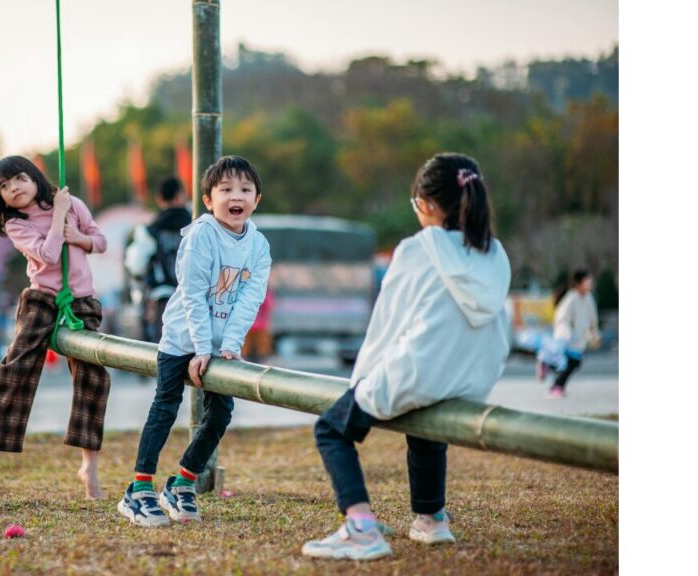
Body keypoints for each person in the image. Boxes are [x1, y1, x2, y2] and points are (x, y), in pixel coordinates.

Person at [301, 153, 511, 562]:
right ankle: (431, 519)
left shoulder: (417, 248)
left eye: (416, 205)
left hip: (424, 369)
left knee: (331, 428)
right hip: (474, 377)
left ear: (429, 205)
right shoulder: (493, 252)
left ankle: (361, 528)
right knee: (425, 420)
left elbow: (388, 323)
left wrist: (359, 384)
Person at [118, 156, 272, 527]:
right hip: (182, 336)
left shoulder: (259, 245)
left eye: (245, 190)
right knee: (165, 407)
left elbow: (250, 298)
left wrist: (228, 345)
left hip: (220, 346)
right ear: (208, 200)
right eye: (226, 190)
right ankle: (138, 491)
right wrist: (201, 348)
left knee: (221, 412)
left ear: (257, 199)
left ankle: (182, 483)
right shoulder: (201, 235)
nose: (236, 197)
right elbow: (193, 295)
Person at [0, 155, 111, 500]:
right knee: (17, 366)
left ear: (35, 177)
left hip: (80, 300)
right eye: (5, 187)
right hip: (42, 299)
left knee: (93, 377)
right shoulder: (16, 224)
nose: (13, 189)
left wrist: (79, 237)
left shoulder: (72, 204)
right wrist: (58, 218)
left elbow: (101, 242)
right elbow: (49, 255)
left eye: (19, 179)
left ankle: (90, 467)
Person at [124, 176, 193, 343]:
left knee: (161, 353)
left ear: (159, 199)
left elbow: (136, 266)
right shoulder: (196, 227)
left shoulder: (149, 231)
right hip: (193, 300)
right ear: (181, 196)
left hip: (162, 301)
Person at [544, 269, 600, 398]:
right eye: (587, 281)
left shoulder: (589, 299)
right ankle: (556, 385)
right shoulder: (571, 298)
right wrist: (565, 333)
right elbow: (561, 318)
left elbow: (593, 320)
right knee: (571, 363)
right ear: (578, 283)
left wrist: (596, 334)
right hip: (568, 339)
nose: (590, 284)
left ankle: (555, 382)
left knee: (573, 363)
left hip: (579, 340)